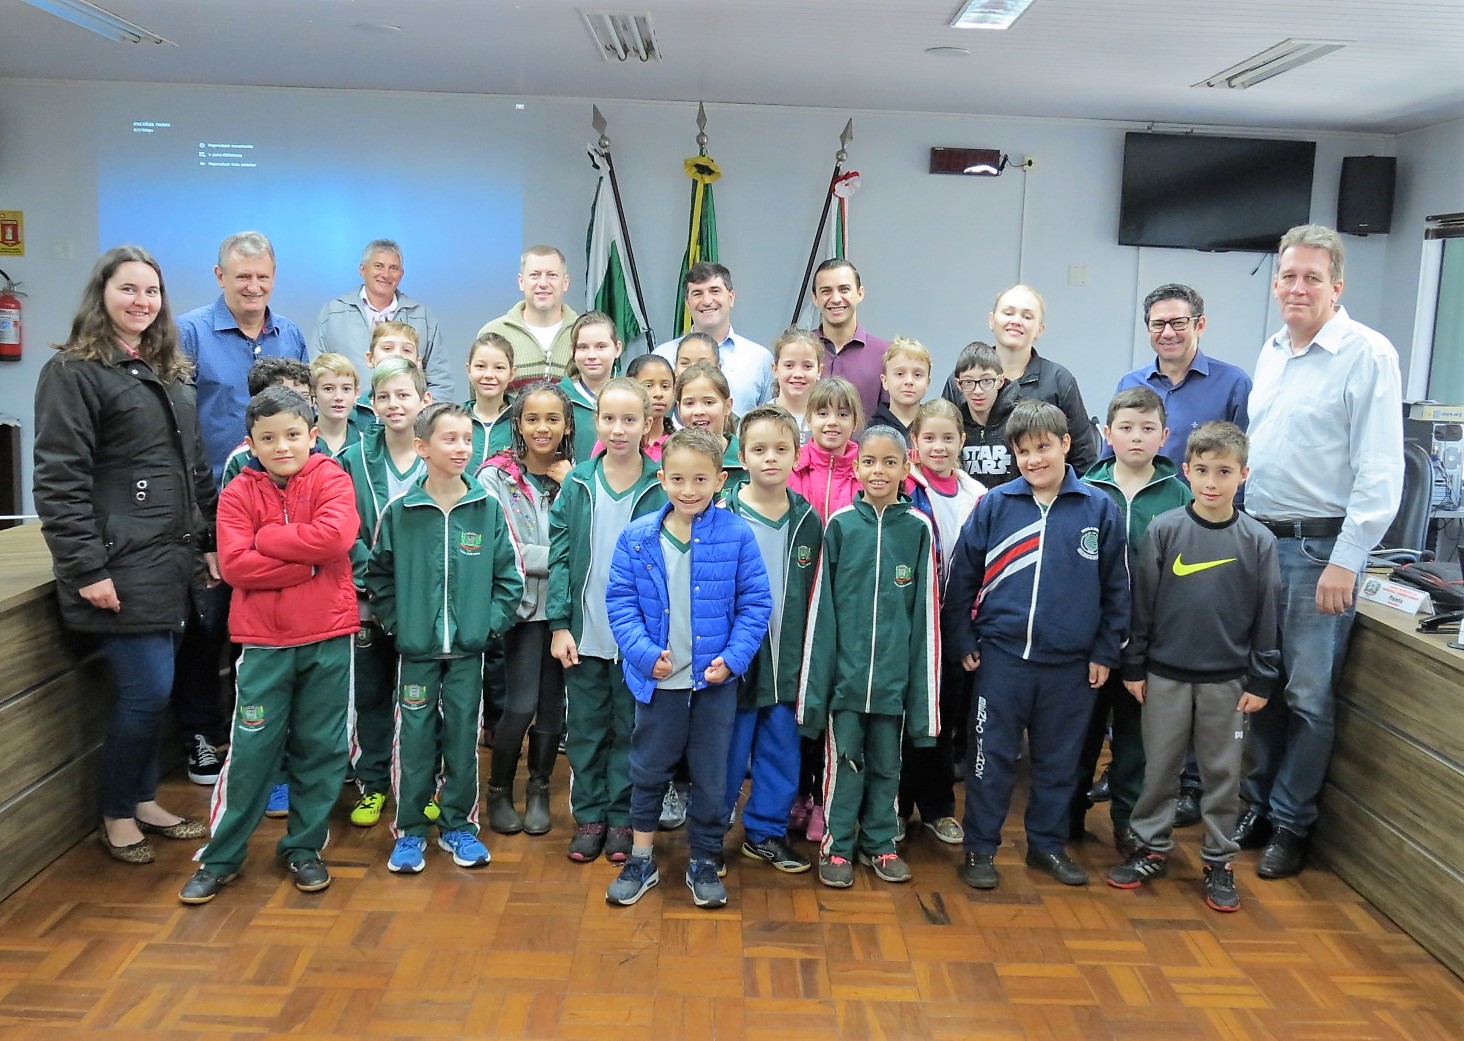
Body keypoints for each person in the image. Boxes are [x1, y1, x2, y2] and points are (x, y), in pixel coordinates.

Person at [34, 245, 216, 865]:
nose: (141, 302)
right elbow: (60, 478)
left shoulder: (166, 371)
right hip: (118, 565)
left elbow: (194, 469)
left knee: (154, 696)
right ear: (101, 295)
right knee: (145, 693)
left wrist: (211, 541)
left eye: (151, 292)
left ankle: (142, 800)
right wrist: (86, 568)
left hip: (169, 565)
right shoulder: (75, 372)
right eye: (128, 290)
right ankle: (116, 812)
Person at [1234, 224, 1404, 880]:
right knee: (1265, 690)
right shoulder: (1273, 349)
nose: (1297, 287)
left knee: (1308, 695)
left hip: (1318, 548)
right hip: (1261, 542)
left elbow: (1381, 469)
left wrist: (1348, 556)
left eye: (1311, 277)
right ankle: (1255, 803)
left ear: (1337, 285)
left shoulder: (1367, 355)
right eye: (1287, 275)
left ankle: (1290, 823)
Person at [178, 386, 360, 904]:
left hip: (327, 635)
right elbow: (235, 566)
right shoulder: (238, 492)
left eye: (292, 435)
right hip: (262, 642)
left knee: (321, 748)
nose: (282, 446)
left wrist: (268, 541)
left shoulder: (332, 478)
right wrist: (304, 562)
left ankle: (303, 847)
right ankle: (221, 857)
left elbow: (335, 540)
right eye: (268, 438)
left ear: (312, 435)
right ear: (250, 444)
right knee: (253, 750)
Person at [942, 401, 1129, 891]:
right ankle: (980, 848)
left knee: (1059, 764)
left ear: (1066, 444)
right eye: (1023, 451)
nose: (1034, 459)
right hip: (1001, 662)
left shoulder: (1098, 510)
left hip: (1071, 669)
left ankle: (1047, 845)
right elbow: (962, 578)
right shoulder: (996, 505)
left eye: (1043, 447)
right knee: (990, 761)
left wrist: (1105, 653)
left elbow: (1117, 591)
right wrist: (962, 637)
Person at [1107, 421, 1280, 913]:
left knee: (1222, 774)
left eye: (1223, 471)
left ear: (1242, 475)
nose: (1211, 481)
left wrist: (1262, 676)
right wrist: (1134, 666)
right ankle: (1150, 847)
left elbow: (1268, 614)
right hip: (1164, 675)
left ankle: (1220, 860)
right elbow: (1142, 605)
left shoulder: (1258, 541)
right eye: (1201, 470)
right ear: (1186, 471)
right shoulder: (1166, 530)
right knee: (1157, 768)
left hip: (1228, 681)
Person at [603, 428, 773, 909]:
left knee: (711, 776)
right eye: (677, 478)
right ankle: (641, 858)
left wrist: (734, 659)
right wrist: (640, 653)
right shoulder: (638, 538)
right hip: (658, 684)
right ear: (661, 479)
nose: (688, 489)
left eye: (701, 479)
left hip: (713, 684)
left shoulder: (737, 534)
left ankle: (703, 857)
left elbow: (755, 604)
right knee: (649, 769)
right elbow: (620, 604)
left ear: (720, 479)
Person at [369, 402, 523, 874]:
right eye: (449, 439)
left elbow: (509, 580)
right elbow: (379, 576)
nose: (462, 448)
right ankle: (411, 830)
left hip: (467, 656)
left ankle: (459, 825)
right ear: (422, 448)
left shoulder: (487, 508)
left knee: (462, 739)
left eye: (467, 439)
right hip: (415, 654)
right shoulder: (401, 511)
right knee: (413, 741)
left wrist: (484, 626)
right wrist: (401, 625)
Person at [798, 425, 939, 887]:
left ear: (906, 466)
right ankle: (838, 845)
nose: (879, 471)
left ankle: (880, 842)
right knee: (844, 764)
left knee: (888, 765)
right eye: (871, 462)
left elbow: (926, 619)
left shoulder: (917, 530)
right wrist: (817, 690)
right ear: (857, 468)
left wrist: (923, 699)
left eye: (890, 462)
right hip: (846, 681)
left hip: (894, 682)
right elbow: (823, 611)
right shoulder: (840, 525)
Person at [549, 379, 665, 864]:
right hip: (585, 632)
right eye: (609, 419)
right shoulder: (577, 483)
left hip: (638, 640)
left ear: (647, 424)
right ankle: (591, 815)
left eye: (630, 419)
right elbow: (559, 554)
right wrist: (559, 623)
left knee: (630, 730)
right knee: (587, 730)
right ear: (595, 422)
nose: (619, 430)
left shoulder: (663, 485)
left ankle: (622, 818)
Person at [1072, 388, 1192, 853]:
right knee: (1079, 734)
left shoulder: (1179, 495)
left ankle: (1128, 821)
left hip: (1149, 641)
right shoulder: (1084, 488)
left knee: (1135, 741)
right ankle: (1068, 814)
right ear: (1107, 434)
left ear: (1164, 436)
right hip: (1089, 638)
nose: (1136, 437)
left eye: (1147, 429)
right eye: (1125, 427)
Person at [722, 405, 822, 876]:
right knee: (725, 751)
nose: (770, 459)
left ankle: (764, 832)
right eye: (759, 449)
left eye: (781, 449)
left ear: (797, 455)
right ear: (741, 456)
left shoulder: (808, 521)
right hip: (732, 663)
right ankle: (709, 834)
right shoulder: (722, 513)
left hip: (788, 662)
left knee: (781, 751)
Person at [336, 356, 433, 829]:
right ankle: (372, 782)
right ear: (371, 404)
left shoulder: (438, 456)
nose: (394, 404)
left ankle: (423, 784)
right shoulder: (351, 459)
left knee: (421, 698)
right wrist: (375, 576)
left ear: (423, 400)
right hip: (367, 604)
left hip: (425, 605)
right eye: (384, 396)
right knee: (372, 696)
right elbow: (342, 528)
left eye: (403, 395)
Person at [479, 383, 574, 837]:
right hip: (518, 612)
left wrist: (569, 485)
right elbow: (507, 551)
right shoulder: (494, 477)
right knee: (519, 705)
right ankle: (498, 789)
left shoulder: (577, 477)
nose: (543, 428)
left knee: (554, 707)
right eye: (532, 419)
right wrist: (559, 559)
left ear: (567, 424)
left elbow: (587, 538)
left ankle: (538, 788)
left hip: (562, 612)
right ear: (517, 424)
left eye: (553, 418)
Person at [899, 398, 986, 845]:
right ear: (914, 443)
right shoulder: (903, 488)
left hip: (953, 624)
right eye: (929, 438)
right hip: (910, 625)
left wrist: (966, 627)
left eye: (947, 438)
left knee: (945, 719)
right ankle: (896, 807)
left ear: (962, 441)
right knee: (903, 719)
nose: (938, 446)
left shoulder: (978, 495)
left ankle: (937, 807)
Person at [786, 374, 864, 845]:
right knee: (802, 707)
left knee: (837, 709)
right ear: (808, 418)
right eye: (822, 413)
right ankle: (800, 795)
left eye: (842, 413)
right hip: (800, 607)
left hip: (849, 610)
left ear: (856, 420)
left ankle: (828, 797)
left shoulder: (868, 469)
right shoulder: (793, 468)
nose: (831, 422)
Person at [176, 231, 309, 484]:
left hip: (284, 495)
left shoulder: (291, 335)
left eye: (262, 277)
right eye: (243, 277)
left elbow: (305, 413)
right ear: (220, 276)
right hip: (212, 494)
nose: (254, 287)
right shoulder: (188, 334)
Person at [941, 285, 1099, 473]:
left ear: (1039, 329)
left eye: (1027, 316)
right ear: (991, 320)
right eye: (1008, 313)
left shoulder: (1059, 381)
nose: (1016, 321)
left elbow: (1083, 458)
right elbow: (942, 440)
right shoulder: (960, 379)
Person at [1113, 284, 1252, 469]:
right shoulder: (1130, 383)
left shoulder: (1233, 384)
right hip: (1138, 497)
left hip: (1202, 498)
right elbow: (1111, 455)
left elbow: (1244, 458)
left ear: (1200, 325)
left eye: (1178, 323)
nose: (1168, 333)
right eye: (1158, 324)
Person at [311, 239, 453, 401]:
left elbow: (441, 380)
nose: (385, 274)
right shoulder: (333, 312)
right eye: (378, 266)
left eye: (393, 268)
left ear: (401, 274)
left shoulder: (421, 316)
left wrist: (425, 415)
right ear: (362, 269)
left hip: (408, 421)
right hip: (348, 419)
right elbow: (317, 372)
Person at [653, 262, 773, 410]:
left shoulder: (760, 359)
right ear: (687, 303)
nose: (707, 301)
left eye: (715, 291)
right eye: (697, 293)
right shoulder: (662, 356)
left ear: (731, 298)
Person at [476, 245, 579, 390]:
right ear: (521, 281)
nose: (543, 283)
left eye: (552, 275)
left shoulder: (583, 333)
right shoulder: (493, 333)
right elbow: (480, 401)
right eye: (534, 275)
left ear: (565, 282)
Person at [811, 259, 891, 418]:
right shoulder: (800, 351)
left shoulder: (886, 354)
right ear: (815, 298)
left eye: (844, 289)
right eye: (826, 291)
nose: (835, 299)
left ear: (860, 293)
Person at [217, 357, 314, 487]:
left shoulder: (323, 454)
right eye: (281, 398)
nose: (293, 406)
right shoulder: (239, 460)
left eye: (304, 397)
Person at [952, 341, 1021, 487]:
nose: (978, 391)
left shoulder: (1019, 420)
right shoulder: (954, 425)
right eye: (968, 382)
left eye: (986, 380)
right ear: (959, 385)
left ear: (1000, 381)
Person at [561, 311, 623, 462]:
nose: (591, 355)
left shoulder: (631, 397)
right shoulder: (558, 398)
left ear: (617, 349)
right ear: (572, 351)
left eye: (601, 346)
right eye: (583, 347)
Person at [465, 331, 516, 473]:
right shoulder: (454, 419)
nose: (488, 375)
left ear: (511, 374)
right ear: (468, 370)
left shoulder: (521, 421)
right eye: (480, 366)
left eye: (499, 368)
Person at [870, 336, 932, 441]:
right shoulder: (871, 431)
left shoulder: (934, 427)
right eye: (900, 374)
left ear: (928, 383)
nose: (909, 381)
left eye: (917, 375)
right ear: (885, 381)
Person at [769, 327, 824, 440]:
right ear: (775, 369)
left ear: (819, 371)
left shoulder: (828, 422)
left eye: (807, 366)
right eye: (789, 365)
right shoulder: (758, 419)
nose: (798, 374)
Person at [310, 353, 365, 458]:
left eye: (346, 389)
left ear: (356, 393)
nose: (338, 397)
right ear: (313, 392)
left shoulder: (365, 445)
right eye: (328, 389)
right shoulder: (303, 443)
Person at [627, 353, 676, 460]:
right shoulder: (615, 440)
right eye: (648, 386)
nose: (658, 393)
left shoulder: (680, 445)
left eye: (665, 386)